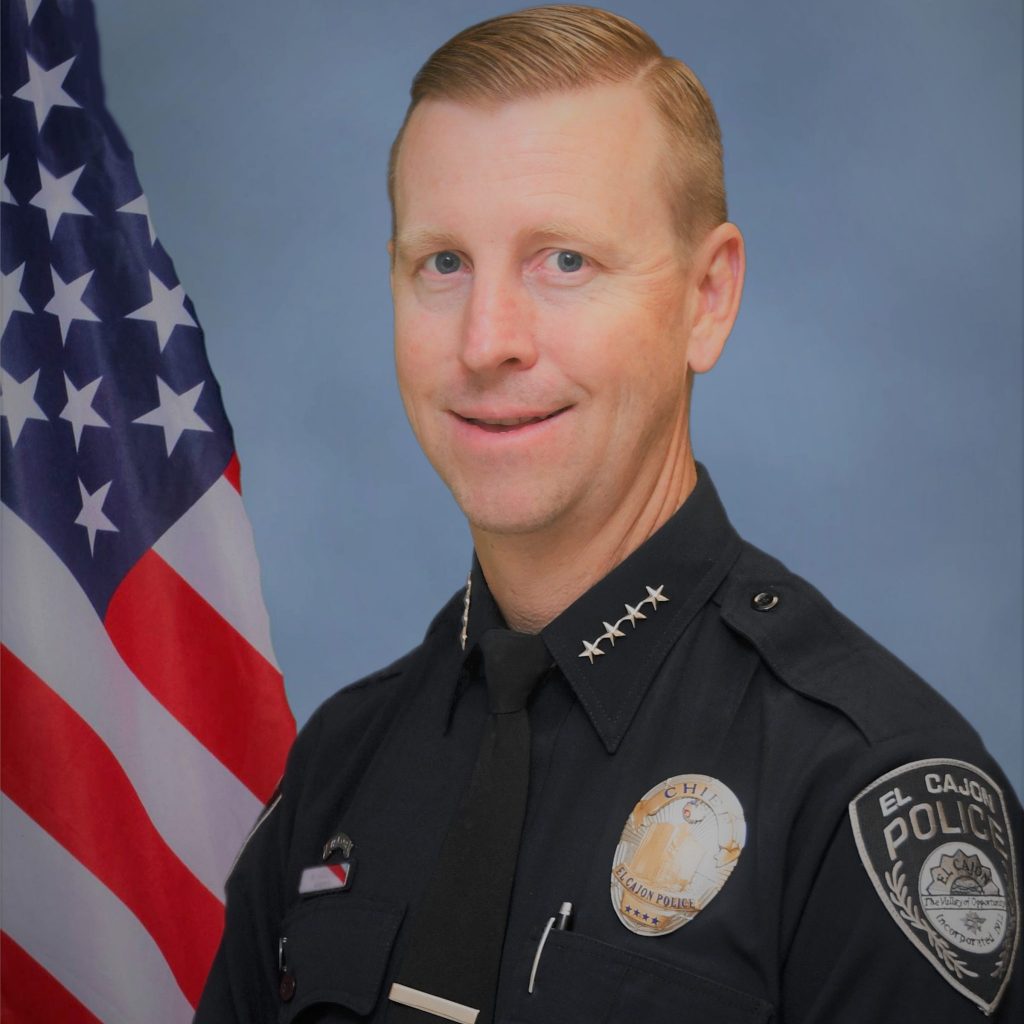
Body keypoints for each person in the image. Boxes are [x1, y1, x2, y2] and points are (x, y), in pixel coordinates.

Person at [195, 6, 1021, 1022]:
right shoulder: (343, 762)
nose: (486, 340)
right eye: (441, 263)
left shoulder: (859, 789)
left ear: (705, 299)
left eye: (565, 261)